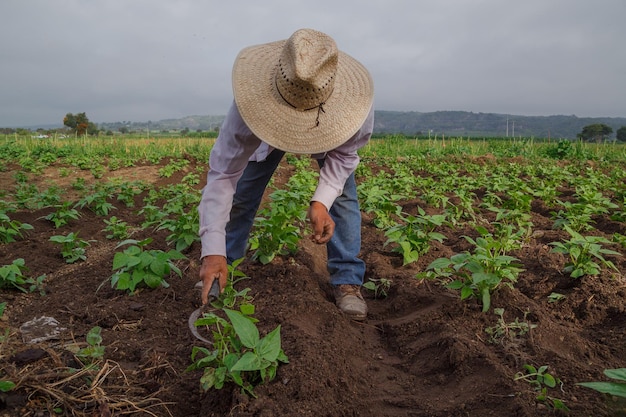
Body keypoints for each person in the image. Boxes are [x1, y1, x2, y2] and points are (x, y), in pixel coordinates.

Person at [197, 28, 374, 320]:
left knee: (342, 199)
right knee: (242, 193)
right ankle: (221, 263)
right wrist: (211, 249)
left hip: (329, 129)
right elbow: (223, 176)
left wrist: (321, 201)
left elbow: (344, 156)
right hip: (265, 132)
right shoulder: (249, 108)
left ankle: (347, 280)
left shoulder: (355, 109)